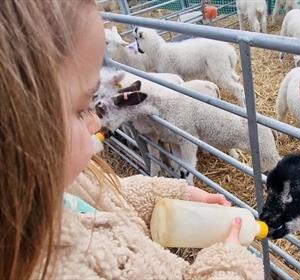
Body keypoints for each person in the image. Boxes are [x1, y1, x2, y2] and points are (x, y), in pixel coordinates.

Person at [0, 1, 264, 279]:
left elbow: (102, 197)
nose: (95, 121)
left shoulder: (56, 186)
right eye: (81, 110)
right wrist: (230, 267)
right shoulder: (68, 269)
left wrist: (169, 194)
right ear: (18, 136)